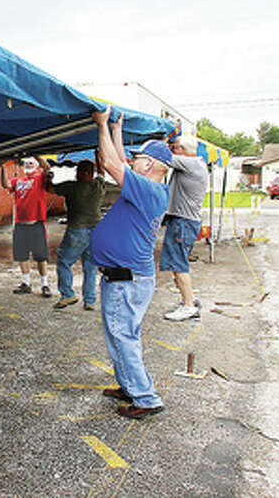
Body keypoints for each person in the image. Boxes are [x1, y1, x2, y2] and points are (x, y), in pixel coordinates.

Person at [89, 108, 171, 419]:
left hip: (127, 280)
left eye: (138, 159)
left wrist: (101, 125)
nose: (131, 161)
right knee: (121, 335)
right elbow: (121, 160)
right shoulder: (145, 187)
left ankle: (145, 397)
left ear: (148, 165)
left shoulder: (149, 190)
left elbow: (113, 163)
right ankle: (129, 385)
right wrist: (116, 128)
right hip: (125, 278)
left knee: (123, 336)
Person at [47, 157, 107, 310]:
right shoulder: (98, 185)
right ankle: (90, 301)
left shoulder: (71, 187)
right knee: (90, 266)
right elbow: (102, 173)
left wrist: (47, 175)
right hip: (97, 231)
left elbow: (50, 189)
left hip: (77, 229)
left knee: (64, 261)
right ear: (91, 173)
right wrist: (99, 155)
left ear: (79, 172)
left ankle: (68, 295)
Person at [160, 134, 208, 322]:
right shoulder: (194, 164)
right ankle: (189, 299)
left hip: (183, 222)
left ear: (184, 150)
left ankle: (189, 306)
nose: (172, 150)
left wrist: (163, 141)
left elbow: (161, 156)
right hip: (183, 221)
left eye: (175, 147)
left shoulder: (190, 163)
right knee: (177, 264)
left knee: (179, 265)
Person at [1, 155, 53, 296]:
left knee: (41, 256)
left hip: (36, 224)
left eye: (31, 163)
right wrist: (3, 167)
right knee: (22, 255)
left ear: (36, 166)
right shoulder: (18, 181)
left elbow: (47, 167)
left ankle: (45, 285)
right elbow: (6, 184)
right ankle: (26, 283)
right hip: (20, 225)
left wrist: (35, 154)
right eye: (26, 163)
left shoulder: (40, 178)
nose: (28, 165)